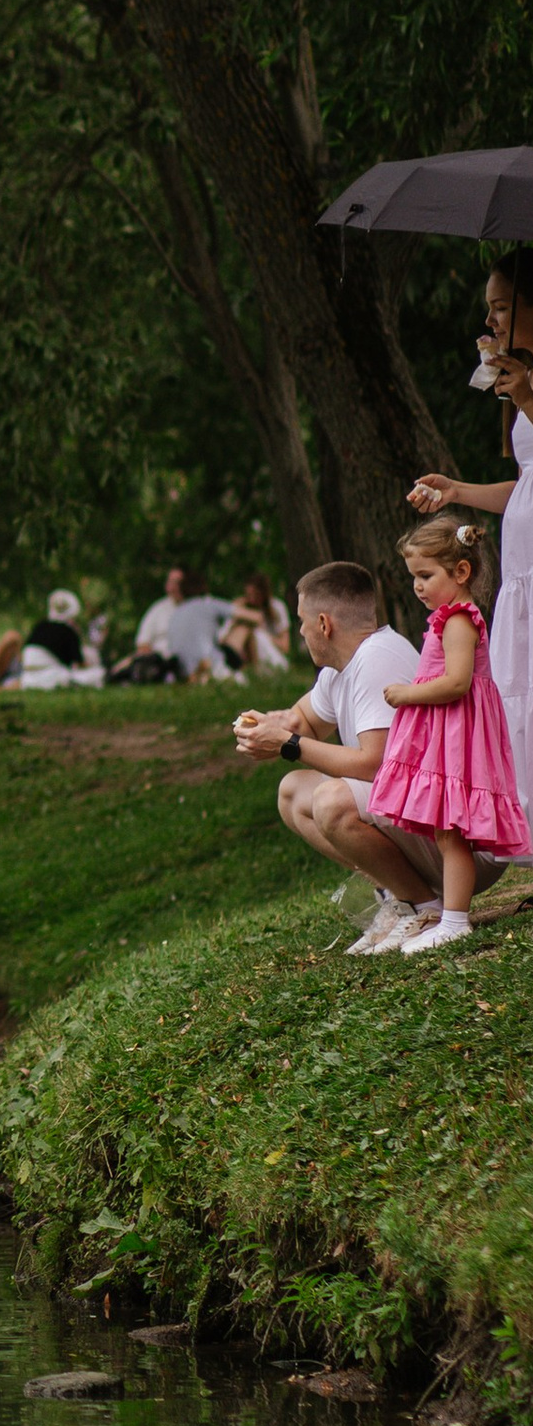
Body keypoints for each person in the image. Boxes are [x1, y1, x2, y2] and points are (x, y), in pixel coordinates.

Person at [234, 560, 504, 954]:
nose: (301, 632)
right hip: (426, 825)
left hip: (463, 843)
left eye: (302, 622)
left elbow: (375, 765)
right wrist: (264, 726)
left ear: (324, 624)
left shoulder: (377, 659)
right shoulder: (339, 669)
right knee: (293, 791)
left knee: (331, 801)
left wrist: (287, 744)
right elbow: (301, 722)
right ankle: (401, 898)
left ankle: (424, 908)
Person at [408, 245, 533, 842]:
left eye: (502, 307)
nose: (491, 323)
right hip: (521, 576)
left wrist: (529, 396)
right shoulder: (523, 384)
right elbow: (526, 487)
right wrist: (455, 489)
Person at [366, 516, 528, 952]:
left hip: (458, 739)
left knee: (452, 829)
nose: (418, 586)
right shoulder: (445, 617)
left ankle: (455, 919)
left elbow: (457, 682)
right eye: (414, 576)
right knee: (444, 829)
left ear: (460, 573)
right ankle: (449, 916)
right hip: (447, 736)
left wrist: (408, 693)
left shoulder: (459, 620)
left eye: (425, 575)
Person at [0, 590, 91, 690]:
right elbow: (79, 663)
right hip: (45, 672)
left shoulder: (41, 626)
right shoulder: (69, 632)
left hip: (28, 672)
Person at [221, 573, 291, 674]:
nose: (251, 599)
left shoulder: (277, 607)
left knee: (253, 631)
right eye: (248, 595)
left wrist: (263, 632)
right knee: (242, 628)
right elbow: (223, 635)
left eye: (255, 595)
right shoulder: (243, 606)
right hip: (246, 658)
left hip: (273, 660)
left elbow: (285, 647)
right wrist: (235, 610)